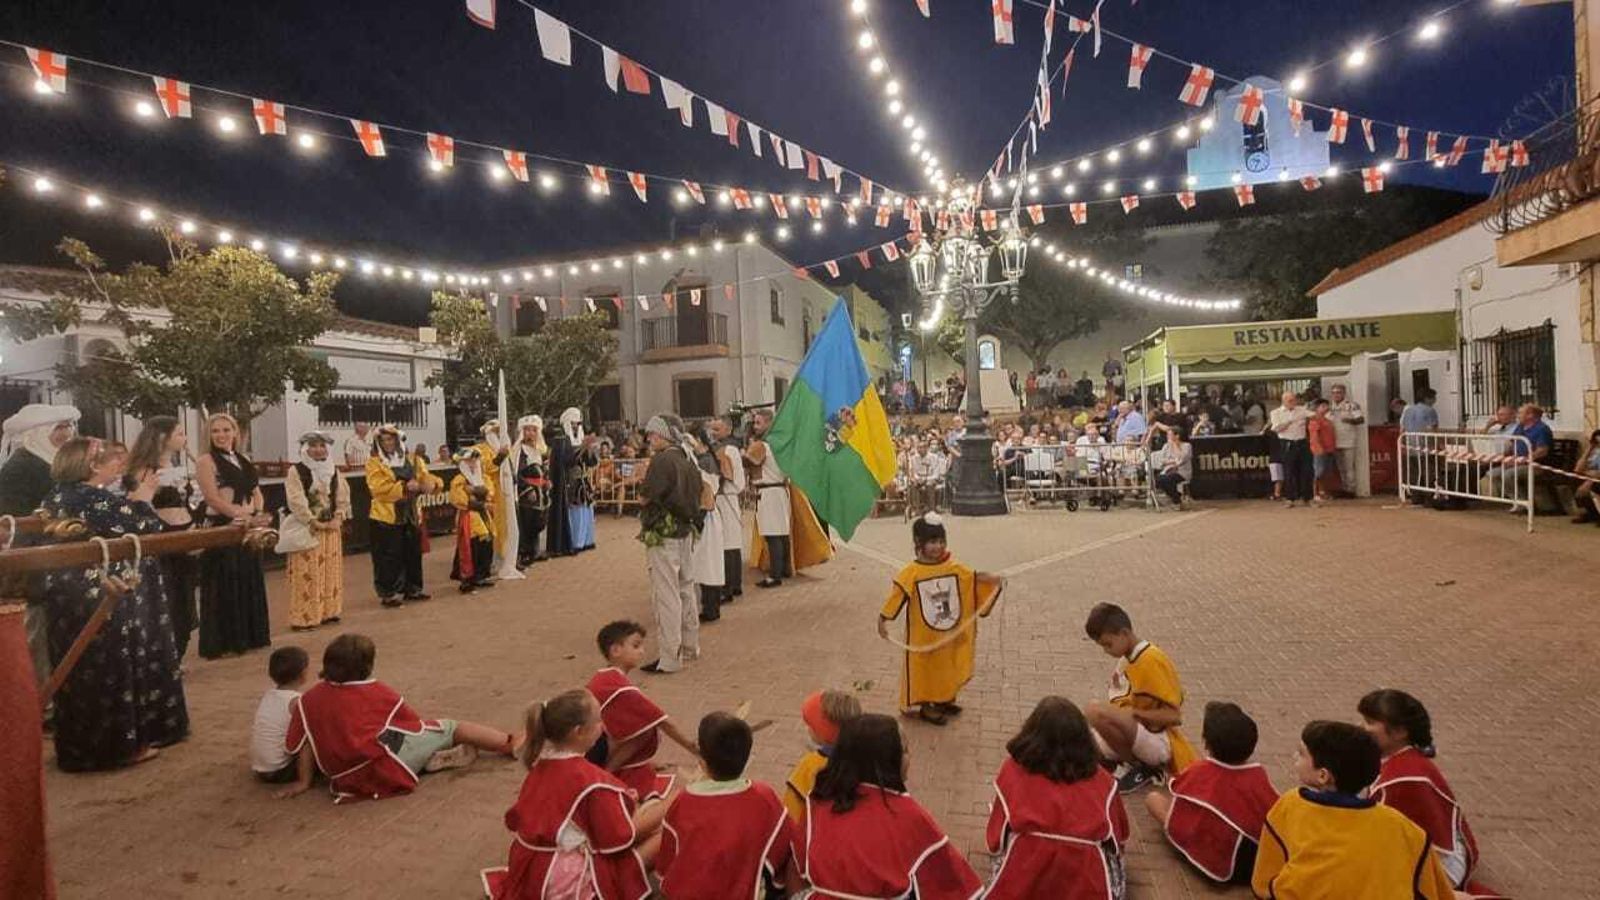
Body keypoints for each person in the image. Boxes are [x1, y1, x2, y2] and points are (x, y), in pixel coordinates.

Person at [38, 437, 190, 771]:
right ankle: (121, 747)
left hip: (67, 595)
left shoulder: (57, 495)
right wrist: (144, 499)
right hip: (104, 593)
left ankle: (81, 746)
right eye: (112, 460)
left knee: (79, 668)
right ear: (93, 465)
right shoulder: (94, 498)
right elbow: (146, 526)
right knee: (113, 666)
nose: (119, 465)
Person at [279, 633, 517, 801]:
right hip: (384, 769)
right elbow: (413, 723)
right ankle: (508, 743)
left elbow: (303, 743)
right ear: (367, 666)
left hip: (342, 777)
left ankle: (430, 759)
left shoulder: (308, 699)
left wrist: (303, 782)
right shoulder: (376, 691)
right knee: (450, 727)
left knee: (411, 738)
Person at [486, 690, 669, 899]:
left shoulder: (541, 764)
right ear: (579, 732)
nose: (603, 726)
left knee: (642, 816)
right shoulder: (588, 779)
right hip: (564, 880)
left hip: (529, 868)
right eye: (599, 720)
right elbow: (621, 839)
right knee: (663, 834)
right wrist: (670, 804)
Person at [1252, 721, 1458, 899]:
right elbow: (1434, 890)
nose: (1294, 756)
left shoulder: (1291, 805)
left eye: (1301, 753)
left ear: (1323, 776)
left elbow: (1264, 881)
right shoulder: (1401, 826)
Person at [798, 713, 982, 898]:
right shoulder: (909, 815)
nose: (909, 757)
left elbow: (799, 868)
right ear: (888, 760)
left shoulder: (817, 801)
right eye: (905, 750)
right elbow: (955, 882)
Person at [984, 696, 1129, 899]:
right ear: (1083, 738)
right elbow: (1119, 839)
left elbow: (996, 840)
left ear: (1031, 733)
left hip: (1025, 878)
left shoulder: (1012, 772)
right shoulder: (1105, 782)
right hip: (1088, 883)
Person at [878, 513, 1004, 726]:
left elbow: (972, 579)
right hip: (924, 637)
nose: (938, 547)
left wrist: (992, 580)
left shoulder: (952, 567)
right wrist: (883, 619)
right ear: (919, 543)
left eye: (941, 541)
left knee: (947, 668)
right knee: (927, 671)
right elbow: (896, 596)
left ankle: (944, 699)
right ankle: (928, 706)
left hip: (947, 635)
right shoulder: (912, 572)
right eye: (932, 542)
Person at [1359, 689, 1492, 893]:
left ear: (1400, 732)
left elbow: (1383, 837)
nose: (1361, 727)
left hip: (1441, 870)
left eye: (1369, 722)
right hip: (1442, 852)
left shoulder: (1403, 779)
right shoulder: (1403, 758)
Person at [655, 712, 796, 899]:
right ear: (747, 760)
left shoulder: (683, 801)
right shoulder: (764, 796)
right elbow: (785, 845)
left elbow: (667, 862)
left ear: (702, 763)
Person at [1145, 701, 1278, 885]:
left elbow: (1177, 788)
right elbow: (1271, 811)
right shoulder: (1257, 775)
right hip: (1250, 865)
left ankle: (1191, 847)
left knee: (1153, 799)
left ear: (1206, 743)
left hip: (1211, 857)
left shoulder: (1200, 771)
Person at [1, 403, 81, 691]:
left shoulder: (47, 462)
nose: (67, 433)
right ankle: (41, 701)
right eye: (59, 428)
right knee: (35, 639)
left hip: (51, 566)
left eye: (68, 426)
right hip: (32, 569)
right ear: (37, 433)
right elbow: (15, 523)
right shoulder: (24, 466)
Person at [1083, 602, 1198, 793]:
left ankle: (1142, 767)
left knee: (1095, 711)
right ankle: (1128, 762)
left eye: (1108, 644)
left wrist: (1132, 715)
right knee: (1080, 738)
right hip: (1137, 734)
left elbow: (1174, 717)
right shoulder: (1126, 660)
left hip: (1159, 740)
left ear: (1124, 633)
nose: (1106, 651)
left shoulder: (1151, 659)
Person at [587, 621, 699, 801]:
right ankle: (606, 775)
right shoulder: (618, 685)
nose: (642, 651)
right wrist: (695, 750)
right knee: (647, 728)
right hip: (591, 750)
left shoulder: (604, 676)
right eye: (636, 646)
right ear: (615, 650)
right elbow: (664, 722)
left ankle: (611, 770)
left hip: (591, 743)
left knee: (641, 723)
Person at [194, 412, 272, 658]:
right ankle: (224, 642)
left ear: (235, 432)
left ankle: (251, 636)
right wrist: (239, 515)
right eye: (215, 431)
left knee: (248, 578)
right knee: (224, 582)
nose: (221, 435)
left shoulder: (243, 458)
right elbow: (212, 498)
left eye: (226, 430)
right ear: (209, 435)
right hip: (223, 526)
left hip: (248, 527)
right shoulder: (205, 461)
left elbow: (256, 491)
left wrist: (257, 514)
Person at [125, 416, 199, 660]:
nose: (184, 438)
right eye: (179, 433)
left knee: (184, 594)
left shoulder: (178, 465)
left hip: (185, 531)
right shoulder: (145, 470)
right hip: (163, 535)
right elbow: (138, 504)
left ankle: (179, 649)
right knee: (168, 595)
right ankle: (164, 654)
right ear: (162, 438)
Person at [638, 416, 704, 671]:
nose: (649, 439)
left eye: (653, 434)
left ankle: (670, 657)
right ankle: (690, 646)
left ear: (663, 435)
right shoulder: (688, 458)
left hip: (665, 534)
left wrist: (641, 479)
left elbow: (646, 497)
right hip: (685, 530)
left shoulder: (662, 460)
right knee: (686, 588)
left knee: (666, 594)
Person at [365, 425, 441, 608]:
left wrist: (432, 485)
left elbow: (426, 477)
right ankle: (388, 593)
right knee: (388, 556)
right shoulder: (374, 463)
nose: (388, 443)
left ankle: (413, 589)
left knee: (413, 553)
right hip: (385, 517)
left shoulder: (413, 459)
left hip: (411, 513)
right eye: (384, 440)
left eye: (391, 439)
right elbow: (377, 489)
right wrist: (405, 487)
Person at [282, 432, 348, 630]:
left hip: (331, 529)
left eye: (322, 446)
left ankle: (329, 611)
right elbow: (295, 498)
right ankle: (305, 617)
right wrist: (312, 520)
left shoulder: (334, 470)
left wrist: (338, 517)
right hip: (307, 528)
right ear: (305, 449)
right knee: (307, 573)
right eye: (313, 445)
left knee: (330, 571)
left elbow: (342, 496)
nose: (318, 449)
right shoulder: (296, 471)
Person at [783, 689, 863, 823]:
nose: (808, 729)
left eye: (811, 725)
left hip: (817, 832)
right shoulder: (867, 762)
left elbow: (790, 815)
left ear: (822, 729)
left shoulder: (809, 766)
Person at [745, 408, 792, 588]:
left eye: (758, 423)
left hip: (769, 491)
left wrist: (742, 452)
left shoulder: (763, 445)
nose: (755, 426)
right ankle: (785, 569)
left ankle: (775, 575)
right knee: (781, 533)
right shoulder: (781, 444)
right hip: (779, 490)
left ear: (769, 423)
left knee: (773, 535)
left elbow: (749, 461)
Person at [251, 646, 309, 785]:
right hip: (281, 770)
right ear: (303, 674)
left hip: (261, 769)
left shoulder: (268, 695)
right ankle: (304, 781)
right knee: (309, 737)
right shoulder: (296, 701)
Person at [687, 426, 727, 623]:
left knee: (708, 564)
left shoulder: (704, 462)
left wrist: (698, 519)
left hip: (706, 515)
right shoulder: (706, 459)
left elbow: (707, 491)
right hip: (708, 515)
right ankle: (710, 606)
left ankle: (711, 608)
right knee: (707, 564)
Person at [707, 416, 746, 604]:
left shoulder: (728, 449)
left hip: (726, 496)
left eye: (717, 429)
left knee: (728, 544)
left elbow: (728, 473)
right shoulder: (727, 448)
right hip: (724, 498)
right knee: (731, 542)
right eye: (712, 429)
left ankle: (728, 588)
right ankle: (735, 584)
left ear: (728, 430)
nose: (713, 433)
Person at [447, 447, 497, 593]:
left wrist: (475, 491)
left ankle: (481, 576)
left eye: (474, 460)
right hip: (469, 517)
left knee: (486, 545)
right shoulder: (459, 480)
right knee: (469, 548)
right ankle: (466, 580)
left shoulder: (482, 477)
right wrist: (478, 497)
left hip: (483, 515)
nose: (473, 463)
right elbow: (458, 499)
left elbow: (490, 492)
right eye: (469, 461)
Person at [550, 408, 598, 554]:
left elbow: (591, 462)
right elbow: (567, 462)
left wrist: (588, 449)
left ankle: (586, 541)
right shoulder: (561, 440)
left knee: (586, 511)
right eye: (573, 423)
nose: (576, 426)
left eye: (577, 423)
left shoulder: (580, 438)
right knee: (575, 512)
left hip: (582, 480)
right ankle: (575, 542)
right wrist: (582, 448)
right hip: (569, 482)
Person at [1489, 403, 1554, 503]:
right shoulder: (1520, 427)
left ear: (1530, 415)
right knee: (1493, 474)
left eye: (1520, 413)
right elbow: (1512, 444)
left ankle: (1523, 503)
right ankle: (1514, 499)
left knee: (1508, 475)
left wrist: (1522, 461)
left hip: (1536, 464)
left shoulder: (1542, 429)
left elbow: (1542, 451)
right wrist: (1504, 458)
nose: (1517, 415)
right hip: (1518, 461)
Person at [510, 415, 550, 568]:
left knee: (538, 522)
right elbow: (517, 473)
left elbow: (544, 469)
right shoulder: (519, 451)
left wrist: (547, 481)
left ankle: (534, 550)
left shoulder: (540, 450)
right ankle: (524, 553)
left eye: (534, 430)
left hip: (540, 492)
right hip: (527, 493)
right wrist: (527, 490)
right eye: (527, 430)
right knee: (526, 523)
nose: (531, 433)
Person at [1270, 392, 1314, 508]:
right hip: (1287, 443)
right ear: (1283, 401)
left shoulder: (1301, 410)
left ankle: (1308, 498)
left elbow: (1314, 415)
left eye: (1294, 400)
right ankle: (1290, 498)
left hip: (1302, 443)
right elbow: (1276, 428)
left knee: (1306, 470)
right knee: (1289, 472)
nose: (1293, 402)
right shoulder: (1276, 413)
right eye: (1290, 400)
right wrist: (1289, 422)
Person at [1327, 384, 1365, 495]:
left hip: (1348, 441)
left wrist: (1349, 420)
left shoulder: (1352, 405)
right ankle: (1344, 488)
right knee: (1340, 468)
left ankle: (1351, 490)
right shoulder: (1329, 407)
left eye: (1338, 392)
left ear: (1344, 393)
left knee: (1349, 467)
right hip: (1334, 441)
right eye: (1334, 393)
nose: (1336, 395)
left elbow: (1361, 419)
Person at [1152, 424, 1192, 510]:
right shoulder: (1166, 446)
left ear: (1177, 436)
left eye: (1169, 435)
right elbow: (1162, 460)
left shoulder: (1187, 446)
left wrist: (1174, 444)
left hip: (1182, 472)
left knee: (1168, 479)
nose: (1167, 437)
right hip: (1167, 470)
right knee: (1158, 480)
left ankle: (1177, 501)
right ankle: (1178, 497)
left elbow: (1182, 458)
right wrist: (1173, 461)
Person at [1308, 399, 1337, 504]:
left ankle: (1322, 492)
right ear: (1317, 408)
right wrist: (1318, 448)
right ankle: (1314, 494)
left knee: (1326, 472)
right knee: (1318, 472)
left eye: (1327, 406)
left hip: (1329, 449)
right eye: (1323, 406)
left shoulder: (1327, 421)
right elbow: (1314, 436)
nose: (1326, 408)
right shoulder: (1315, 420)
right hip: (1319, 450)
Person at [1572, 429, 1600, 524]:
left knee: (1593, 486)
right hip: (1591, 476)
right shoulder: (1595, 453)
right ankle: (1590, 512)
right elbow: (1578, 469)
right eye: (1596, 443)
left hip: (1596, 479)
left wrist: (1590, 480)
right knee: (1574, 479)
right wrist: (1589, 450)